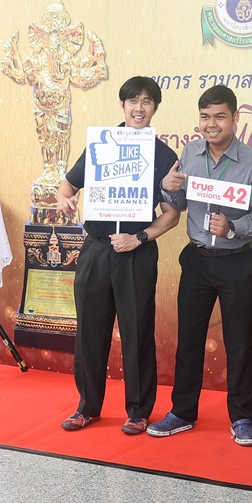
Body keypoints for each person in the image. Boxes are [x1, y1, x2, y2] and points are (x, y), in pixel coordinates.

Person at [148, 86, 252, 444]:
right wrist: (168, 187)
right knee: (189, 340)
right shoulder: (190, 152)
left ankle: (243, 417)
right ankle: (182, 412)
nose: (211, 124)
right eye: (205, 117)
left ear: (235, 118)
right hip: (198, 260)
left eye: (220, 116)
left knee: (238, 342)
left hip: (236, 262)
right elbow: (178, 203)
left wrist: (233, 227)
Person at [57, 76, 181, 434]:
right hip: (95, 249)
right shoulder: (101, 144)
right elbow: (68, 184)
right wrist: (64, 198)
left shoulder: (164, 156)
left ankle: (139, 411)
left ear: (155, 108)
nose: (139, 108)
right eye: (132, 101)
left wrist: (138, 238)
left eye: (146, 102)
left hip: (136, 253)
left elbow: (172, 215)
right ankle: (86, 407)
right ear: (123, 105)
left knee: (137, 332)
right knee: (89, 332)